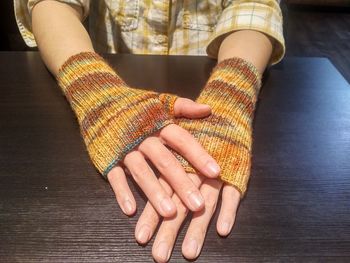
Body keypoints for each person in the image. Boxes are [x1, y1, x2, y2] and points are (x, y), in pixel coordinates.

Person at [14, 0, 285, 262]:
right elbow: (51, 3)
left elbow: (254, 8)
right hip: (108, 74)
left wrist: (231, 91)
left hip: (211, 72)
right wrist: (95, 88)